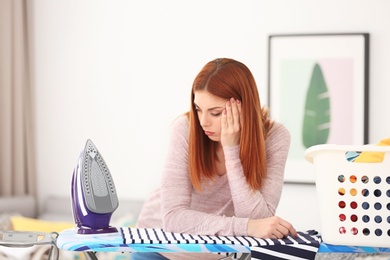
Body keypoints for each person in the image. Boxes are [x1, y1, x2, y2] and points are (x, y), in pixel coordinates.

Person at [132, 58, 297, 260]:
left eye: (216, 113)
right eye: (198, 109)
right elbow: (173, 218)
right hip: (158, 248)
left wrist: (231, 149)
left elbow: (259, 221)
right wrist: (245, 226)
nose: (203, 122)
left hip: (215, 254)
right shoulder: (185, 128)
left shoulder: (275, 137)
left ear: (244, 107)